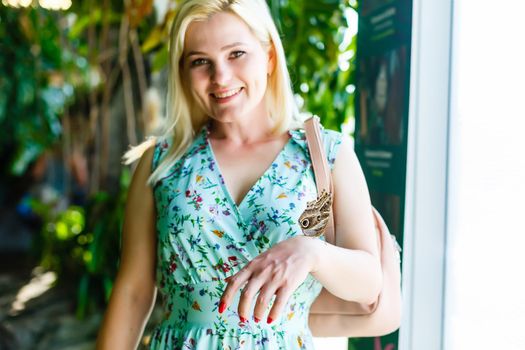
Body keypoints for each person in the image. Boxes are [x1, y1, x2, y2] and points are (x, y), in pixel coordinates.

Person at [96, 0, 385, 348]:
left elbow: (370, 282)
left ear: (269, 57)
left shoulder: (325, 154)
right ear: (184, 72)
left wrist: (312, 253)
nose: (221, 77)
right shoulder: (163, 162)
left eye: (236, 54)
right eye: (200, 62)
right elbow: (133, 293)